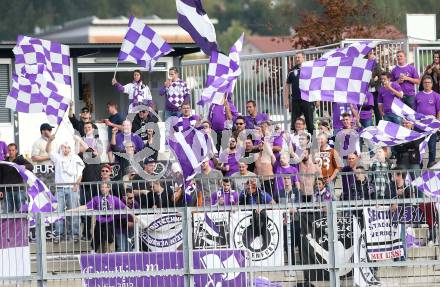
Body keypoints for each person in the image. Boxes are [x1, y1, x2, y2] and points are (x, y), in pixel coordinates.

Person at [46, 136, 85, 243]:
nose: (66, 149)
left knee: (74, 211)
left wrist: (76, 185)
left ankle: (75, 234)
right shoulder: (57, 157)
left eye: (68, 147)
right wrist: (50, 140)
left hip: (72, 188)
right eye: (64, 147)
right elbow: (48, 151)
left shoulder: (75, 157)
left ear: (70, 149)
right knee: (58, 212)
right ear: (61, 148)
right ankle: (58, 234)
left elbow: (79, 173)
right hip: (59, 189)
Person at [71, 182, 128, 253]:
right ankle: (95, 254)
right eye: (102, 187)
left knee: (110, 240)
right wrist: (71, 210)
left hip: (110, 223)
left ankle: (110, 256)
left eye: (105, 187)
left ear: (109, 188)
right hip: (99, 223)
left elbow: (125, 207)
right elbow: (85, 206)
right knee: (97, 241)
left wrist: (134, 216)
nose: (103, 189)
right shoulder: (96, 199)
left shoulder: (114, 199)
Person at [284, 52, 316, 135]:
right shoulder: (292, 71)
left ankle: (314, 144)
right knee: (294, 123)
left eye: (299, 57)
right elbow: (287, 85)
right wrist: (286, 99)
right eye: (296, 58)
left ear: (303, 58)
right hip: (295, 100)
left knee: (310, 123)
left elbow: (315, 83)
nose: (297, 59)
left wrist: (317, 98)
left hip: (307, 99)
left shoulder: (309, 69)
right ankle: (293, 143)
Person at [414, 75, 440, 167]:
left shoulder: (436, 96)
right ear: (423, 84)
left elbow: (439, 111)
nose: (427, 84)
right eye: (425, 82)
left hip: (431, 126)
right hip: (419, 126)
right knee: (418, 147)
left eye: (429, 82)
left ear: (432, 84)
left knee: (432, 147)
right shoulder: (418, 95)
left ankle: (431, 164)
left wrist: (437, 124)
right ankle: (419, 165)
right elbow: (414, 111)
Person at [1, 143, 33, 213]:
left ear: (16, 151)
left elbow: (31, 166)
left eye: (13, 150)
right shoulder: (4, 162)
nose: (11, 152)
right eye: (9, 150)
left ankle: (23, 224)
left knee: (21, 212)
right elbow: (1, 177)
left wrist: (24, 166)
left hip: (19, 190)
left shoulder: (20, 160)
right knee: (7, 213)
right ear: (7, 151)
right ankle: (8, 224)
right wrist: (1, 190)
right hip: (7, 190)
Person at [367, 50, 383, 125]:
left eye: (373, 53)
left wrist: (372, 82)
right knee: (368, 110)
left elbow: (380, 78)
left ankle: (379, 126)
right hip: (367, 92)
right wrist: (373, 81)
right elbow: (365, 80)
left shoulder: (377, 65)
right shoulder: (364, 66)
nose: (372, 55)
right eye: (370, 54)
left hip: (376, 92)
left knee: (377, 111)